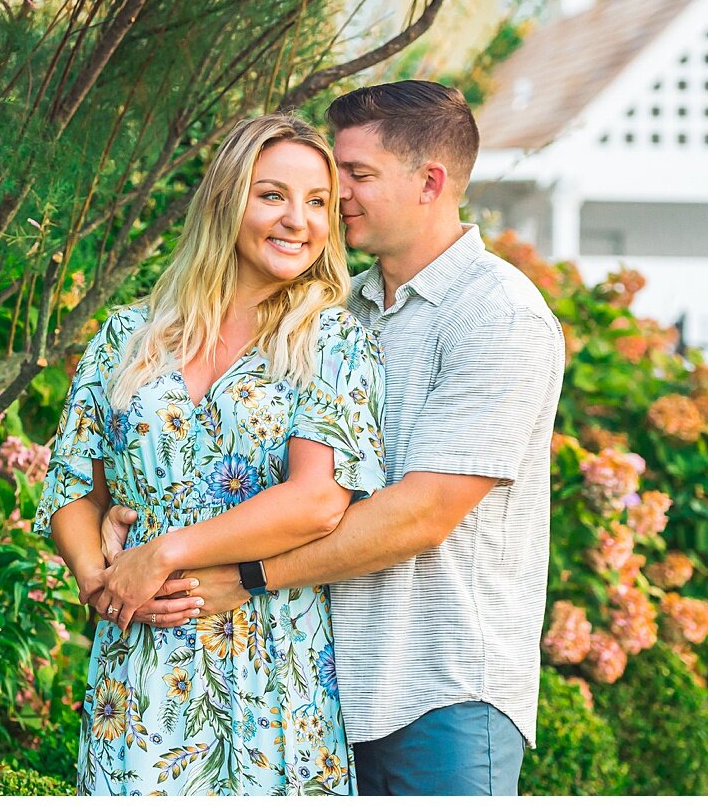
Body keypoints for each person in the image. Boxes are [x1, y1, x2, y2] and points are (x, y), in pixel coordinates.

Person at [106, 81, 565, 796]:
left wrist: (246, 575)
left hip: (441, 691)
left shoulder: (499, 317)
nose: (336, 192)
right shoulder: (333, 310)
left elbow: (423, 512)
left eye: (356, 175)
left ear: (431, 182)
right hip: (326, 685)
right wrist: (134, 506)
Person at [33, 113, 386, 795]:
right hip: (137, 659)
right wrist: (96, 580)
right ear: (227, 199)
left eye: (318, 202)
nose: (299, 220)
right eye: (273, 194)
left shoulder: (334, 342)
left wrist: (162, 554)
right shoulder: (128, 335)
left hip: (270, 657)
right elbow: (74, 484)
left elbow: (316, 500)